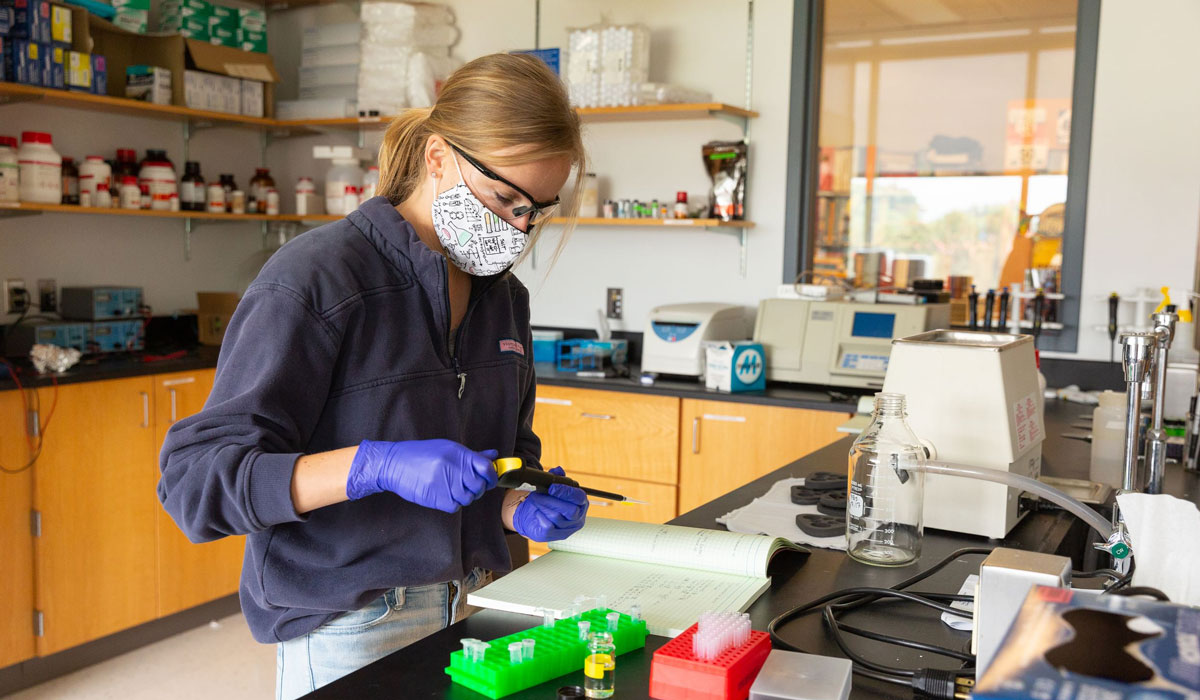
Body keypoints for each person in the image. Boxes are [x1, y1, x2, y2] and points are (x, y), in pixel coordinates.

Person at [158, 53, 591, 699]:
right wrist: (371, 466)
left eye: (539, 209)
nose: (520, 227)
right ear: (439, 155)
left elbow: (501, 455)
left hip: (487, 606)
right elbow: (195, 485)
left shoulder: (504, 299)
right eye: (506, 198)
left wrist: (514, 504)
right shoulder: (319, 279)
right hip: (355, 620)